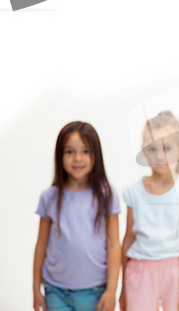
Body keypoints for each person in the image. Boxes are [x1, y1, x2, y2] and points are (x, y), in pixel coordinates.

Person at [32, 121, 121, 311]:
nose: (77, 158)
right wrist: (35, 290)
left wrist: (111, 290)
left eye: (86, 151)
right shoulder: (49, 197)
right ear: (59, 155)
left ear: (96, 155)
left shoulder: (107, 195)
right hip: (55, 290)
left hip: (94, 291)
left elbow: (114, 244)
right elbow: (41, 244)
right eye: (70, 152)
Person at [119, 111, 179, 311]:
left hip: (177, 271)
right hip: (141, 271)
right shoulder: (133, 193)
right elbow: (128, 239)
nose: (159, 156)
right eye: (152, 149)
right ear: (143, 151)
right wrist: (123, 287)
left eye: (167, 148)